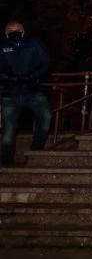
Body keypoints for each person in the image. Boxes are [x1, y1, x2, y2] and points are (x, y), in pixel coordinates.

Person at [0, 22, 51, 166]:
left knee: (9, 130)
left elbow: (46, 63)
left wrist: (15, 77)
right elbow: (46, 63)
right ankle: (27, 154)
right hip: (23, 92)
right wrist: (31, 76)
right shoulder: (34, 44)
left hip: (19, 92)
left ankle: (8, 161)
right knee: (44, 119)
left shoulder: (31, 44)